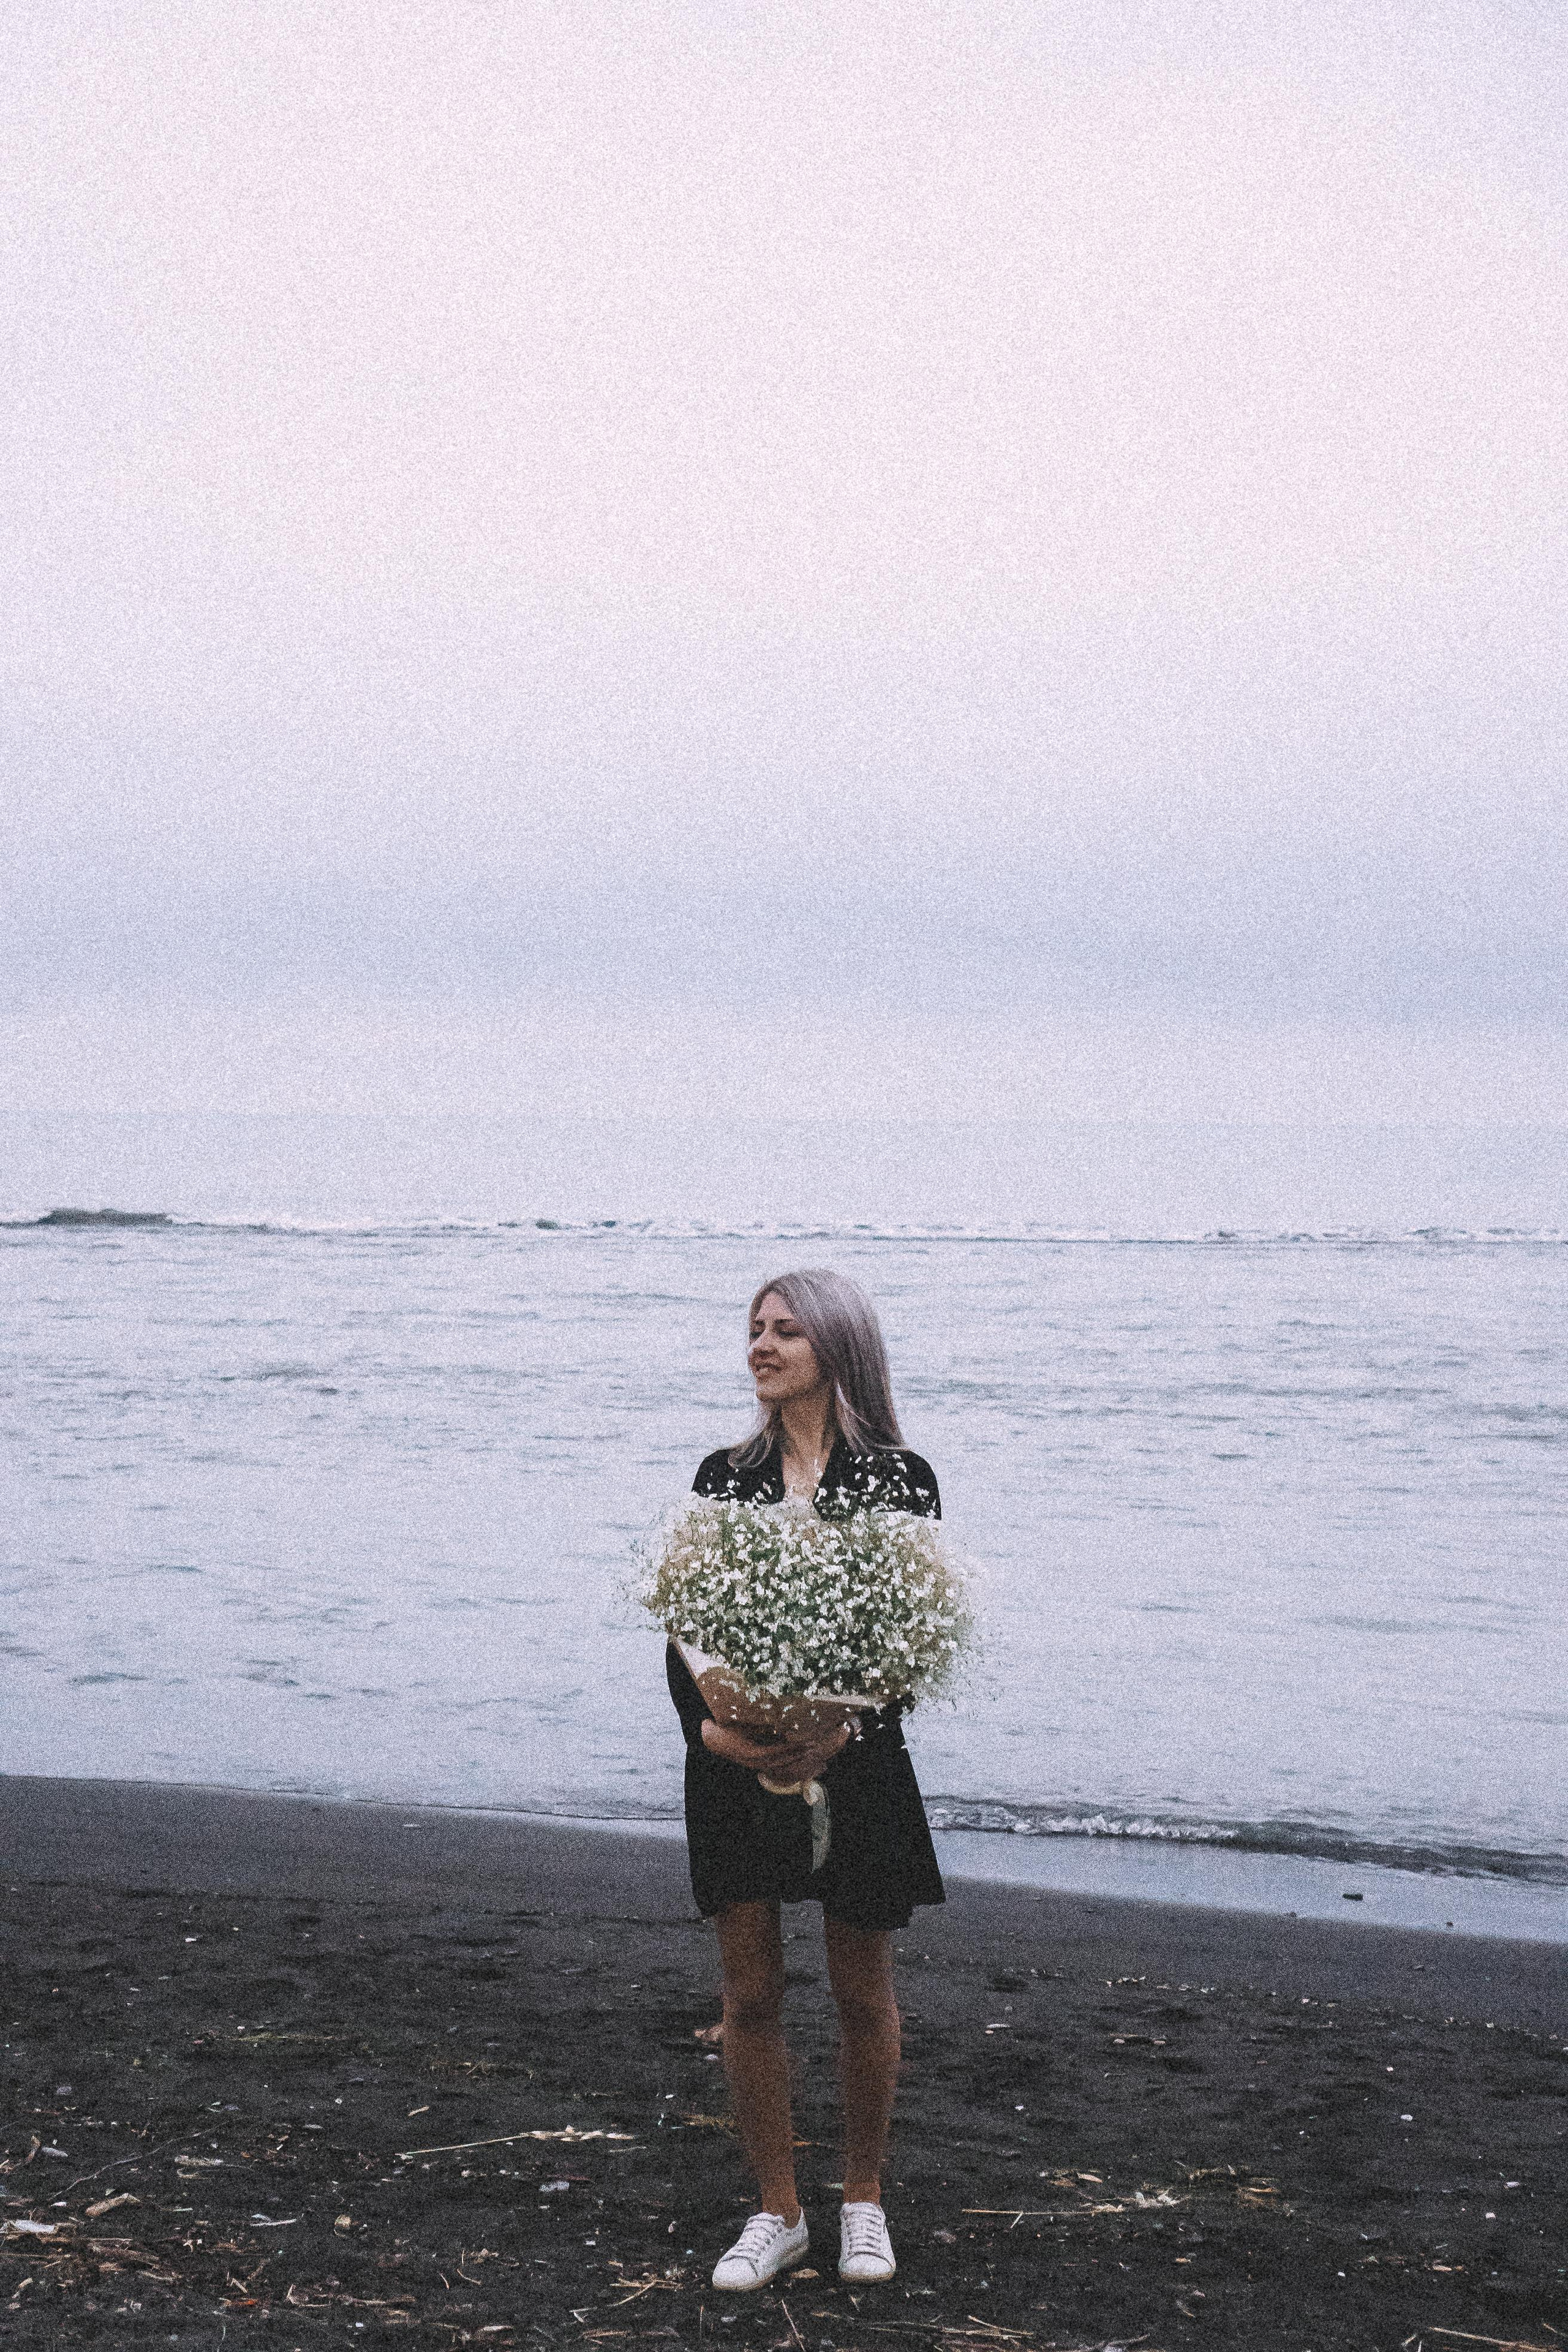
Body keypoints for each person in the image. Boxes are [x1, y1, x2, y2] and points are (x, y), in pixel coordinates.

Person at [665, 1267, 946, 2293]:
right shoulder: (723, 1474)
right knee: (750, 1996)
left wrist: (835, 1731)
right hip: (734, 1766)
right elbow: (684, 1625)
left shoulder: (899, 1478)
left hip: (858, 1767)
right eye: (755, 1328)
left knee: (863, 1993)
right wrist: (720, 1734)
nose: (762, 1345)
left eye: (786, 1330)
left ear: (837, 1346)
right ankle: (777, 2212)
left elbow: (912, 1636)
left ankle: (862, 2201)